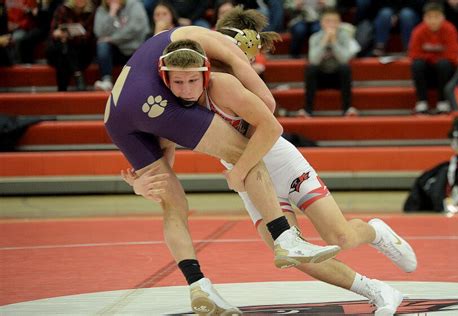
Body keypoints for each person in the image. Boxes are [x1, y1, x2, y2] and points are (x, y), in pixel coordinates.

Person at [124, 38, 418, 315]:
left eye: (192, 80)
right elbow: (165, 160)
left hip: (280, 163)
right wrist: (141, 184)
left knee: (340, 236)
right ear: (165, 80)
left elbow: (272, 127)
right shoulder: (170, 108)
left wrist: (239, 170)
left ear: (205, 73)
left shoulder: (222, 87)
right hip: (250, 179)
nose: (186, 89)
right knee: (294, 256)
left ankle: (376, 232)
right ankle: (377, 290)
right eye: (178, 82)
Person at [104, 9, 341, 314]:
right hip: (156, 102)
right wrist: (242, 136)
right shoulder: (225, 47)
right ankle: (285, 236)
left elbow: (165, 144)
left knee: (173, 205)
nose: (249, 64)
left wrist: (141, 184)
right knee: (246, 151)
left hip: (116, 115)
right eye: (250, 58)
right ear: (241, 44)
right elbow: (268, 106)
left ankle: (198, 285)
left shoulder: (171, 51)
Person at [301, 7, 359, 117]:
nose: (331, 24)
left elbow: (344, 59)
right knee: (310, 68)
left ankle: (347, 108)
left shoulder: (344, 36)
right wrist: (324, 42)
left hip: (338, 78)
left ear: (339, 23)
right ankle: (308, 110)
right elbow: (313, 60)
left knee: (345, 68)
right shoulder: (315, 37)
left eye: (334, 21)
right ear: (321, 23)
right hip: (320, 79)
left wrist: (334, 42)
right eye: (328, 21)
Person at [408, 2, 458, 114]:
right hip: (427, 72)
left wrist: (430, 57)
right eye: (430, 17)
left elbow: (453, 55)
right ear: (424, 18)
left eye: (436, 17)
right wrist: (435, 57)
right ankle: (422, 102)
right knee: (417, 64)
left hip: (445, 72)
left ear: (443, 17)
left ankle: (443, 102)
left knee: (444, 64)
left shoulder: (450, 29)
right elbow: (413, 54)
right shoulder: (418, 31)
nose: (433, 21)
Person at [93, 0, 149, 91]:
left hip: (134, 49)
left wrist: (113, 39)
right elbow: (100, 33)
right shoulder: (101, 10)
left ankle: (139, 83)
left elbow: (134, 29)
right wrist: (111, 14)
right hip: (116, 51)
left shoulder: (134, 5)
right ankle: (106, 80)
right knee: (102, 45)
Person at [46, 0, 96, 91]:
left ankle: (62, 90)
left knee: (65, 52)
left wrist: (69, 36)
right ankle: (78, 74)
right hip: (61, 48)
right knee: (63, 50)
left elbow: (88, 37)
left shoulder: (92, 12)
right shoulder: (62, 9)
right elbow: (53, 33)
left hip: (82, 51)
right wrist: (57, 34)